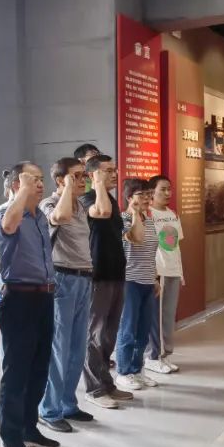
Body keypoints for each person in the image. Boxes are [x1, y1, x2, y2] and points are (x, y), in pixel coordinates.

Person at [0, 162, 61, 447]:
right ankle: (10, 437)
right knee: (16, 371)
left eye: (40, 179)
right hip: (19, 298)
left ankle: (29, 427)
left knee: (39, 368)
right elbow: (8, 227)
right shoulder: (6, 213)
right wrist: (21, 191)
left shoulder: (40, 217)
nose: (39, 184)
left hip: (44, 297)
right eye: (32, 179)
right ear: (15, 185)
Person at [38, 157, 95, 433]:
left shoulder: (81, 205)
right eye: (76, 176)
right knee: (59, 348)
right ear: (60, 180)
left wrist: (77, 190)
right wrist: (68, 190)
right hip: (62, 279)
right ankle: (49, 409)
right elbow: (58, 218)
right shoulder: (50, 203)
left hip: (84, 278)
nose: (83, 180)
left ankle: (68, 403)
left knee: (78, 346)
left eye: (84, 175)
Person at [81, 154, 134, 410]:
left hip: (116, 274)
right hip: (97, 276)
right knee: (94, 334)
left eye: (115, 169)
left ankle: (106, 382)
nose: (114, 174)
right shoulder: (87, 199)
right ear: (93, 175)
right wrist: (98, 184)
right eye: (108, 170)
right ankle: (94, 388)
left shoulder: (110, 198)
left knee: (109, 333)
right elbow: (101, 213)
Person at [114, 178, 160, 391]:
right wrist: (134, 214)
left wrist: (156, 278)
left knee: (143, 330)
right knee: (128, 330)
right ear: (129, 197)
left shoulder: (149, 220)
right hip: (129, 281)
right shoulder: (123, 220)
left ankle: (137, 369)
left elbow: (152, 252)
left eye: (148, 194)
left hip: (147, 281)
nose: (147, 199)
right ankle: (123, 372)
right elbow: (138, 238)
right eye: (141, 195)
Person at [144, 175, 183, 374]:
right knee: (155, 317)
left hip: (173, 270)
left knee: (168, 316)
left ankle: (164, 354)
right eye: (163, 189)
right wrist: (152, 275)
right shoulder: (147, 215)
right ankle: (152, 356)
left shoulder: (172, 214)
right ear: (152, 192)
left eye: (169, 189)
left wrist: (180, 272)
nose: (168, 193)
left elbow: (176, 245)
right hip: (158, 272)